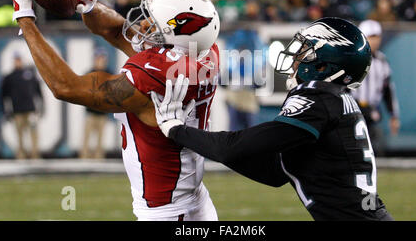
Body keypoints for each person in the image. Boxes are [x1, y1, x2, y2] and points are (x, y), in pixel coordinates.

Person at [12, 0, 220, 221]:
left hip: (168, 211)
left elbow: (65, 87)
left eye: (152, 25)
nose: (143, 27)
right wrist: (87, 5)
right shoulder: (204, 51)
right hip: (192, 198)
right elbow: (120, 31)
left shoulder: (155, 75)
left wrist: (25, 19)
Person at [151, 17, 394, 221]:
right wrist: (204, 140)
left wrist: (176, 129)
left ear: (323, 67)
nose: (297, 57)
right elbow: (276, 172)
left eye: (306, 52)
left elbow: (234, 148)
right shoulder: (334, 100)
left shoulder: (319, 99)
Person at [352, 20, 400, 156]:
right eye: (371, 37)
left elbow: (388, 89)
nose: (374, 41)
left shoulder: (382, 60)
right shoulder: (353, 58)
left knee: (372, 149)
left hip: (373, 110)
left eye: (376, 37)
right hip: (353, 108)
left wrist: (393, 115)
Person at [1, 52, 43, 159]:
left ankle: (35, 155)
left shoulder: (29, 74)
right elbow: (4, 95)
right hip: (17, 111)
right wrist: (6, 111)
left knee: (34, 134)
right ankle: (21, 156)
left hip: (30, 110)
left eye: (19, 59)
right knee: (19, 136)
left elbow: (38, 91)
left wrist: (41, 106)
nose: (17, 62)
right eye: (16, 60)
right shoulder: (9, 77)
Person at [80, 48, 111, 159]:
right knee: (86, 137)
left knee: (100, 139)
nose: (100, 61)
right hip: (90, 112)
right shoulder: (89, 73)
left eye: (101, 58)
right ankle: (84, 157)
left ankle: (99, 158)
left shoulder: (109, 74)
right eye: (98, 58)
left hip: (103, 113)